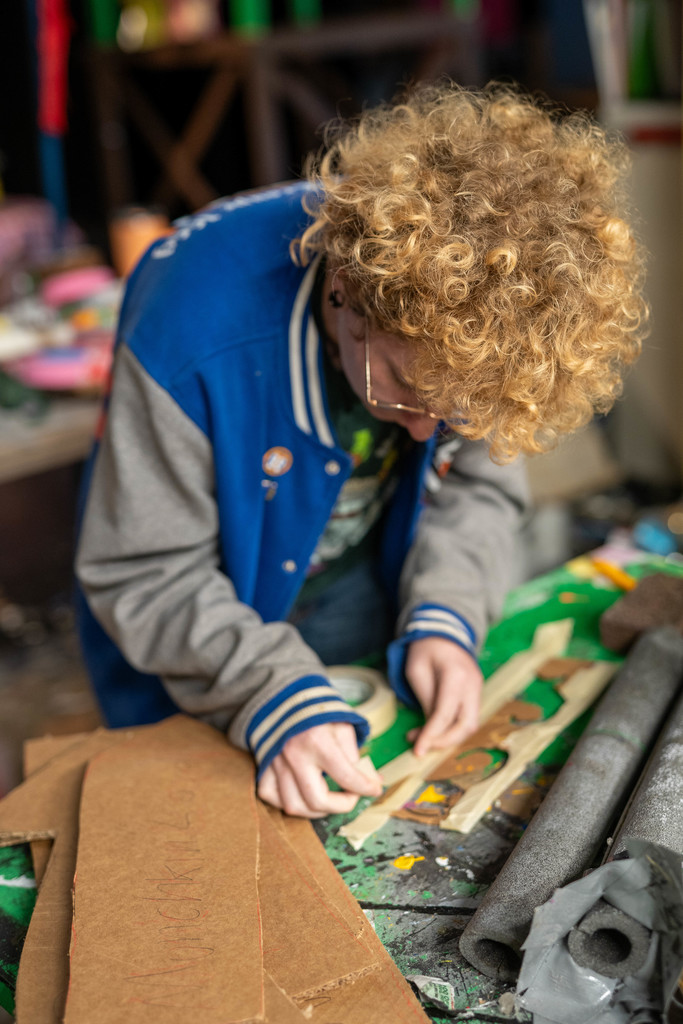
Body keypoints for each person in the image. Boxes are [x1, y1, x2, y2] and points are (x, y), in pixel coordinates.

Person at [75, 82, 647, 819]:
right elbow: (143, 570)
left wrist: (445, 610)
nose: (421, 433)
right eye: (406, 391)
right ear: (346, 288)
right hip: (187, 633)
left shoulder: (483, 331)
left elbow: (475, 487)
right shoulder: (189, 332)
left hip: (354, 584)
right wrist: (266, 690)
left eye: (453, 415)